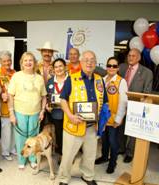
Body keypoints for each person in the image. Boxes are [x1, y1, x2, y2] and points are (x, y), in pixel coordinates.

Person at [57, 50, 108, 185]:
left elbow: (105, 101)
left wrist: (103, 119)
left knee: (90, 155)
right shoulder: (71, 78)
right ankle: (63, 178)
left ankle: (87, 176)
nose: (89, 62)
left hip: (92, 127)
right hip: (74, 125)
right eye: (86, 60)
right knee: (68, 156)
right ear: (81, 62)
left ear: (95, 63)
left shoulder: (99, 80)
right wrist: (70, 115)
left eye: (92, 60)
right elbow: (63, 100)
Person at [8, 52, 47, 170]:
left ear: (34, 63)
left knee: (33, 137)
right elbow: (10, 95)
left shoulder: (39, 78)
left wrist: (42, 111)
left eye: (31, 60)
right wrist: (11, 113)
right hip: (20, 111)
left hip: (35, 112)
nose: (28, 62)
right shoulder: (16, 76)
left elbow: (44, 96)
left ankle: (32, 159)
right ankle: (22, 159)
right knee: (21, 138)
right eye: (25, 60)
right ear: (22, 63)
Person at [118, 48, 153, 163]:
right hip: (121, 103)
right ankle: (121, 148)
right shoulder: (122, 67)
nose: (130, 58)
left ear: (139, 58)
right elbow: (109, 72)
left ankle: (130, 152)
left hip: (136, 105)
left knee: (132, 130)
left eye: (133, 56)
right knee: (121, 127)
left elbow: (147, 91)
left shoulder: (147, 72)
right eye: (129, 55)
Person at [95, 57, 128, 174]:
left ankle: (112, 162)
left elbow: (123, 101)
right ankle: (104, 157)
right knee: (104, 140)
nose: (111, 68)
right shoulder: (101, 80)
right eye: (109, 65)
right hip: (102, 117)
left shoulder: (121, 81)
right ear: (106, 66)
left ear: (118, 68)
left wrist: (119, 118)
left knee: (113, 141)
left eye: (114, 66)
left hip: (113, 117)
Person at [0, 51, 16, 161]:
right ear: (0, 62)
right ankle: (5, 151)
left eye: (9, 60)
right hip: (4, 107)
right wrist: (1, 94)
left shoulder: (15, 72)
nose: (7, 63)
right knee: (6, 130)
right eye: (4, 61)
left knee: (13, 129)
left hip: (15, 105)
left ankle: (13, 148)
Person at [46, 58, 68, 160]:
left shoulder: (72, 80)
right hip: (56, 114)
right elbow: (47, 98)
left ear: (65, 67)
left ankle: (69, 155)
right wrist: (47, 106)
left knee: (69, 136)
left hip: (69, 114)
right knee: (59, 135)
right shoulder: (50, 81)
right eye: (56, 67)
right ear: (53, 69)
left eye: (60, 66)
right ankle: (62, 155)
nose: (58, 69)